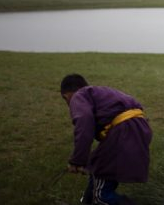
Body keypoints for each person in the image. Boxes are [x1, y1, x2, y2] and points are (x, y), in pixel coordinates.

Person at [60, 74, 152, 205]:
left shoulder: (79, 95)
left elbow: (84, 122)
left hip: (123, 131)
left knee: (101, 197)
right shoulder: (99, 93)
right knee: (99, 167)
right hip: (140, 128)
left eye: (66, 101)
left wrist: (77, 161)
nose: (69, 105)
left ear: (66, 95)